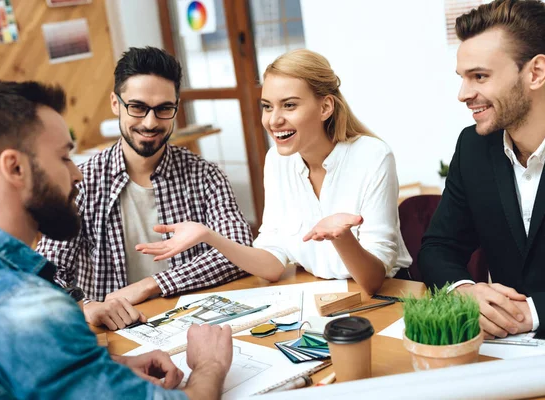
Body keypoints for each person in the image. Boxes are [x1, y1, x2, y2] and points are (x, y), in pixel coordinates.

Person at [0, 80, 232, 399]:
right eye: (63, 157)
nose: (77, 174)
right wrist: (209, 365)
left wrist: (109, 364)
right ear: (15, 167)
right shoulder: (29, 308)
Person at [136, 49, 411, 295]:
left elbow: (374, 280)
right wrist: (209, 236)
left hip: (386, 297)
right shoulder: (278, 161)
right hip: (321, 297)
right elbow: (272, 263)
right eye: (267, 106)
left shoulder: (372, 156)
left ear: (325, 107)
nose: (273, 120)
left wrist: (342, 237)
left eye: (289, 105)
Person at [37, 47, 252, 330]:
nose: (150, 123)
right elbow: (45, 272)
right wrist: (86, 306)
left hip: (194, 327)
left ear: (176, 106)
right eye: (137, 107)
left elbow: (239, 251)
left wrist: (151, 285)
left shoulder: (205, 176)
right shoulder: (82, 181)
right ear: (115, 103)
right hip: (113, 335)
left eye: (164, 109)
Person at [419, 0, 545, 338]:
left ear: (536, 72)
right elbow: (438, 247)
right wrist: (463, 289)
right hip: (507, 354)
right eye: (463, 78)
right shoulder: (474, 148)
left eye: (479, 76)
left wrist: (534, 313)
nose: (463, 94)